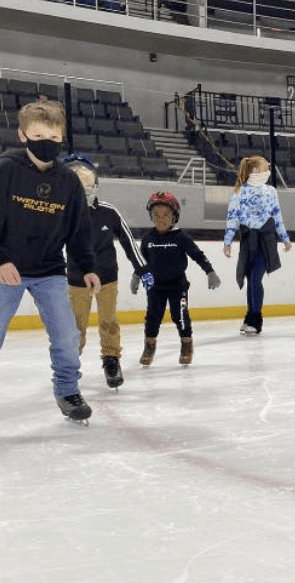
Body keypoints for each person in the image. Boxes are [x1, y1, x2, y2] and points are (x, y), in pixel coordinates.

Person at [0, 99, 101, 424]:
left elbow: (78, 229)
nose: (47, 143)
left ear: (62, 138)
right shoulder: (5, 169)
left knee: (66, 337)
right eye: (39, 135)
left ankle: (68, 391)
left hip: (50, 271)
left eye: (54, 138)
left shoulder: (68, 181)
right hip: (6, 269)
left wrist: (86, 267)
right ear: (22, 134)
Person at [64, 155, 147, 390]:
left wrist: (142, 268)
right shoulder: (65, 214)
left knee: (108, 320)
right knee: (76, 324)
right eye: (79, 187)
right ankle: (70, 364)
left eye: (88, 186)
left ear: (96, 186)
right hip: (77, 279)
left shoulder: (108, 212)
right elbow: (47, 242)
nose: (85, 190)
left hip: (107, 277)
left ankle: (111, 360)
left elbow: (128, 241)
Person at [132, 191, 221, 366]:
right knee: (152, 317)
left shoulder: (181, 237)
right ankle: (149, 346)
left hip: (177, 285)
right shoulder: (148, 238)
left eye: (166, 215)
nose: (161, 219)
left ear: (174, 217)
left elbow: (197, 255)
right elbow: (141, 260)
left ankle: (186, 345)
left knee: (180, 315)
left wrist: (210, 272)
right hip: (155, 286)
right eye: (156, 215)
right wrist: (136, 277)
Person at [222, 155, 292, 335]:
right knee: (250, 279)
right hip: (247, 240)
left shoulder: (271, 191)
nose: (268, 167)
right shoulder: (239, 191)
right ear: (255, 170)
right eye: (265, 165)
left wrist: (284, 238)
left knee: (255, 278)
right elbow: (233, 217)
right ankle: (249, 315)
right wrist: (228, 241)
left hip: (265, 241)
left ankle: (256, 318)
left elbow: (277, 216)